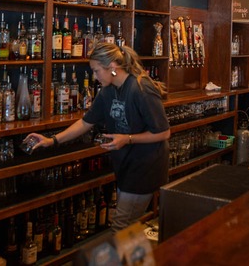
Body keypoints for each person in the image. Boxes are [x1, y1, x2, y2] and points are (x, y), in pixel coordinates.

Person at [23, 43, 170, 232]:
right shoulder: (107, 91)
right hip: (125, 164)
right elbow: (85, 122)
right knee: (128, 228)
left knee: (121, 226)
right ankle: (139, 260)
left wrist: (127, 139)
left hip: (145, 166)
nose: (95, 76)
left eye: (97, 71)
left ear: (113, 68)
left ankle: (132, 260)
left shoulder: (140, 89)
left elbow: (164, 132)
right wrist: (52, 140)